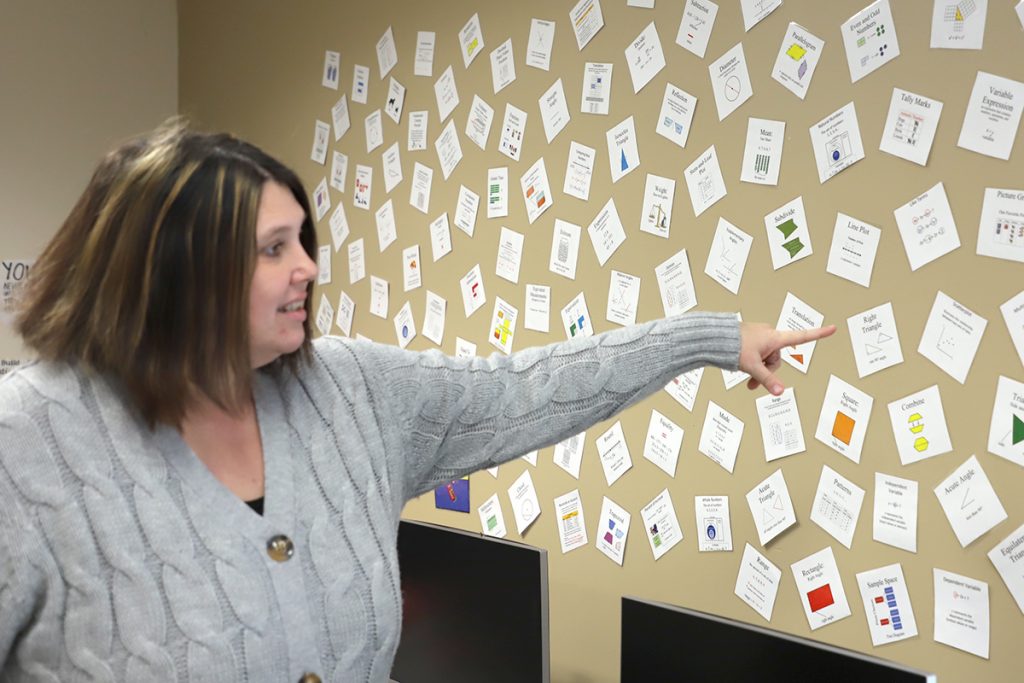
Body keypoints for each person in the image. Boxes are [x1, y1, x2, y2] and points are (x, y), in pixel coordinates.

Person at [0, 121, 834, 682]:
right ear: (173, 270)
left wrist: (709, 341)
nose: (309, 269)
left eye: (304, 240)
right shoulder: (30, 444)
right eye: (273, 248)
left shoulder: (352, 391)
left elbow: (523, 391)